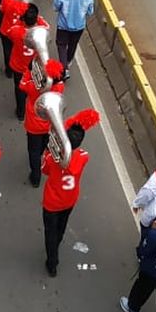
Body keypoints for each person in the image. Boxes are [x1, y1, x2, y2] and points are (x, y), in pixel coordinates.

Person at [42, 109, 100, 276]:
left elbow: (45, 170)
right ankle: (57, 244)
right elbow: (72, 159)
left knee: (50, 231)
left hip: (52, 201)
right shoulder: (83, 156)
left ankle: (52, 262)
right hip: (69, 200)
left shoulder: (51, 158)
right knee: (61, 227)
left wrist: (50, 150)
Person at [52, 0, 94, 73]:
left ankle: (64, 68)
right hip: (78, 27)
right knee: (73, 44)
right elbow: (90, 12)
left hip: (63, 26)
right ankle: (68, 62)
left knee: (61, 45)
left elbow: (55, 8)